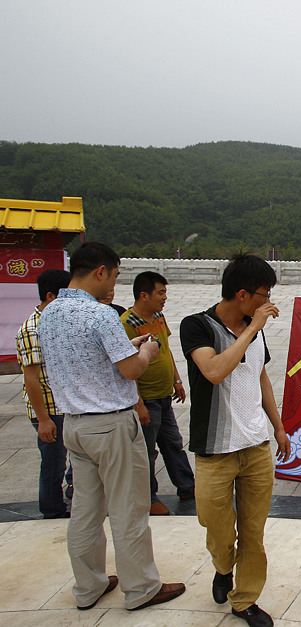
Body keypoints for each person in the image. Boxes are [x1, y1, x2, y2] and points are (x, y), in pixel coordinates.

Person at [37, 242, 185, 611]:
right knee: (129, 508)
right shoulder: (100, 314)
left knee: (85, 509)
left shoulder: (49, 313)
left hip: (74, 424)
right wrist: (147, 352)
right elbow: (131, 369)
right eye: (115, 276)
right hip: (112, 426)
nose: (115, 285)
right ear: (100, 271)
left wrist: (128, 345)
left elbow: (87, 358)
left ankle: (88, 586)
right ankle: (141, 588)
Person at [179, 253, 290, 627]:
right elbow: (213, 371)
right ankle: (222, 567)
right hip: (215, 451)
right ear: (242, 294)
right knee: (217, 527)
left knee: (253, 533)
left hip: (256, 447)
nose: (268, 301)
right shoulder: (196, 326)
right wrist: (250, 329)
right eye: (264, 293)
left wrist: (277, 427)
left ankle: (245, 601)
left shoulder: (253, 330)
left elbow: (259, 377)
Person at [121, 271, 195, 516]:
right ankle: (149, 498)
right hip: (146, 399)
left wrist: (176, 379)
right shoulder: (126, 324)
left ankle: (187, 487)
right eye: (160, 292)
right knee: (146, 451)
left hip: (164, 396)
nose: (165, 297)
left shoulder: (158, 317)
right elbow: (126, 369)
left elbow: (166, 350)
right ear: (144, 295)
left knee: (173, 443)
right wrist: (137, 404)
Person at [15, 268, 73, 519]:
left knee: (69, 460)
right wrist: (44, 419)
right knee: (53, 464)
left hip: (67, 406)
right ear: (50, 296)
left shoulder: (59, 322)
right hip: (50, 409)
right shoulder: (32, 329)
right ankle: (52, 511)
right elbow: (31, 379)